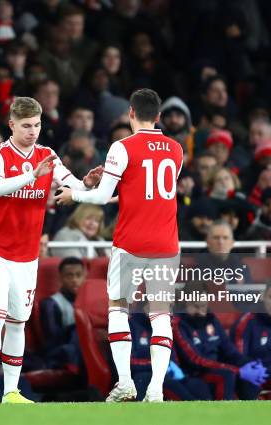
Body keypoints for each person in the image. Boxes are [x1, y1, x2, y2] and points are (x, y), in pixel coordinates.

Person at [55, 89, 184, 402]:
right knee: (160, 316)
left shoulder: (122, 147)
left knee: (118, 309)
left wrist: (76, 195)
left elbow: (100, 197)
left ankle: (125, 382)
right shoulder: (176, 150)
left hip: (131, 242)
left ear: (130, 113)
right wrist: (114, 186)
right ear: (159, 116)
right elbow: (146, 194)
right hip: (166, 244)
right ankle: (155, 390)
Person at [0, 97, 102, 404]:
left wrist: (87, 183)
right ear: (12, 125)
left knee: (18, 322)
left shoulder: (47, 155)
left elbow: (72, 183)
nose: (33, 132)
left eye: (37, 125)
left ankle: (12, 392)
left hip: (27, 254)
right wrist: (32, 176)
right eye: (26, 126)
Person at [172, 283, 268, 400]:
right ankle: (223, 415)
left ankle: (250, 414)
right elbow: (194, 360)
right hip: (195, 373)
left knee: (250, 373)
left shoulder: (211, 319)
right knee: (227, 375)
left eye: (203, 306)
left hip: (217, 368)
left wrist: (250, 364)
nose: (201, 312)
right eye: (196, 307)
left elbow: (230, 351)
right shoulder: (178, 324)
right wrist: (237, 371)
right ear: (185, 303)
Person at [39, 257, 85, 371]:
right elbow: (53, 340)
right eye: (69, 276)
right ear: (61, 278)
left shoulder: (90, 301)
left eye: (78, 275)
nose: (75, 280)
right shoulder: (50, 304)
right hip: (60, 353)